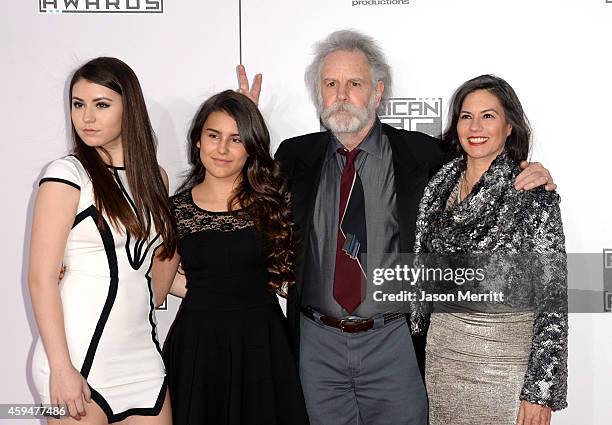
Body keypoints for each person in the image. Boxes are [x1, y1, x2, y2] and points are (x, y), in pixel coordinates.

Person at [261, 30, 558, 425]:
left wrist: (533, 171)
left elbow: (483, 159)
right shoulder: (294, 157)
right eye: (331, 84)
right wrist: (244, 124)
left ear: (378, 91)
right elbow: (241, 199)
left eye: (355, 83)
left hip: (396, 341)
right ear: (319, 93)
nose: (342, 94)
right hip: (317, 344)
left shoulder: (425, 156)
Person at [412, 75, 568, 425]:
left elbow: (552, 302)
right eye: (466, 116)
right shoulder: (438, 187)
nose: (475, 126)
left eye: (488, 116)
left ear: (509, 125)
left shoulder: (532, 195)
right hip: (443, 358)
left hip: (504, 364)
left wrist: (539, 391)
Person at [29, 57, 175, 424]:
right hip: (77, 362)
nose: (87, 118)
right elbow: (40, 278)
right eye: (78, 104)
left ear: (131, 109)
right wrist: (62, 369)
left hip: (142, 359)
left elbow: (150, 269)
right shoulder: (66, 175)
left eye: (101, 105)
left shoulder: (155, 178)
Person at [153, 90, 309, 425]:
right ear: (197, 141)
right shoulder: (174, 210)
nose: (222, 149)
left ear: (251, 147)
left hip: (262, 346)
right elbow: (156, 289)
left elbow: (287, 278)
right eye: (213, 135)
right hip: (198, 347)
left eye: (236, 139)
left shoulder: (274, 202)